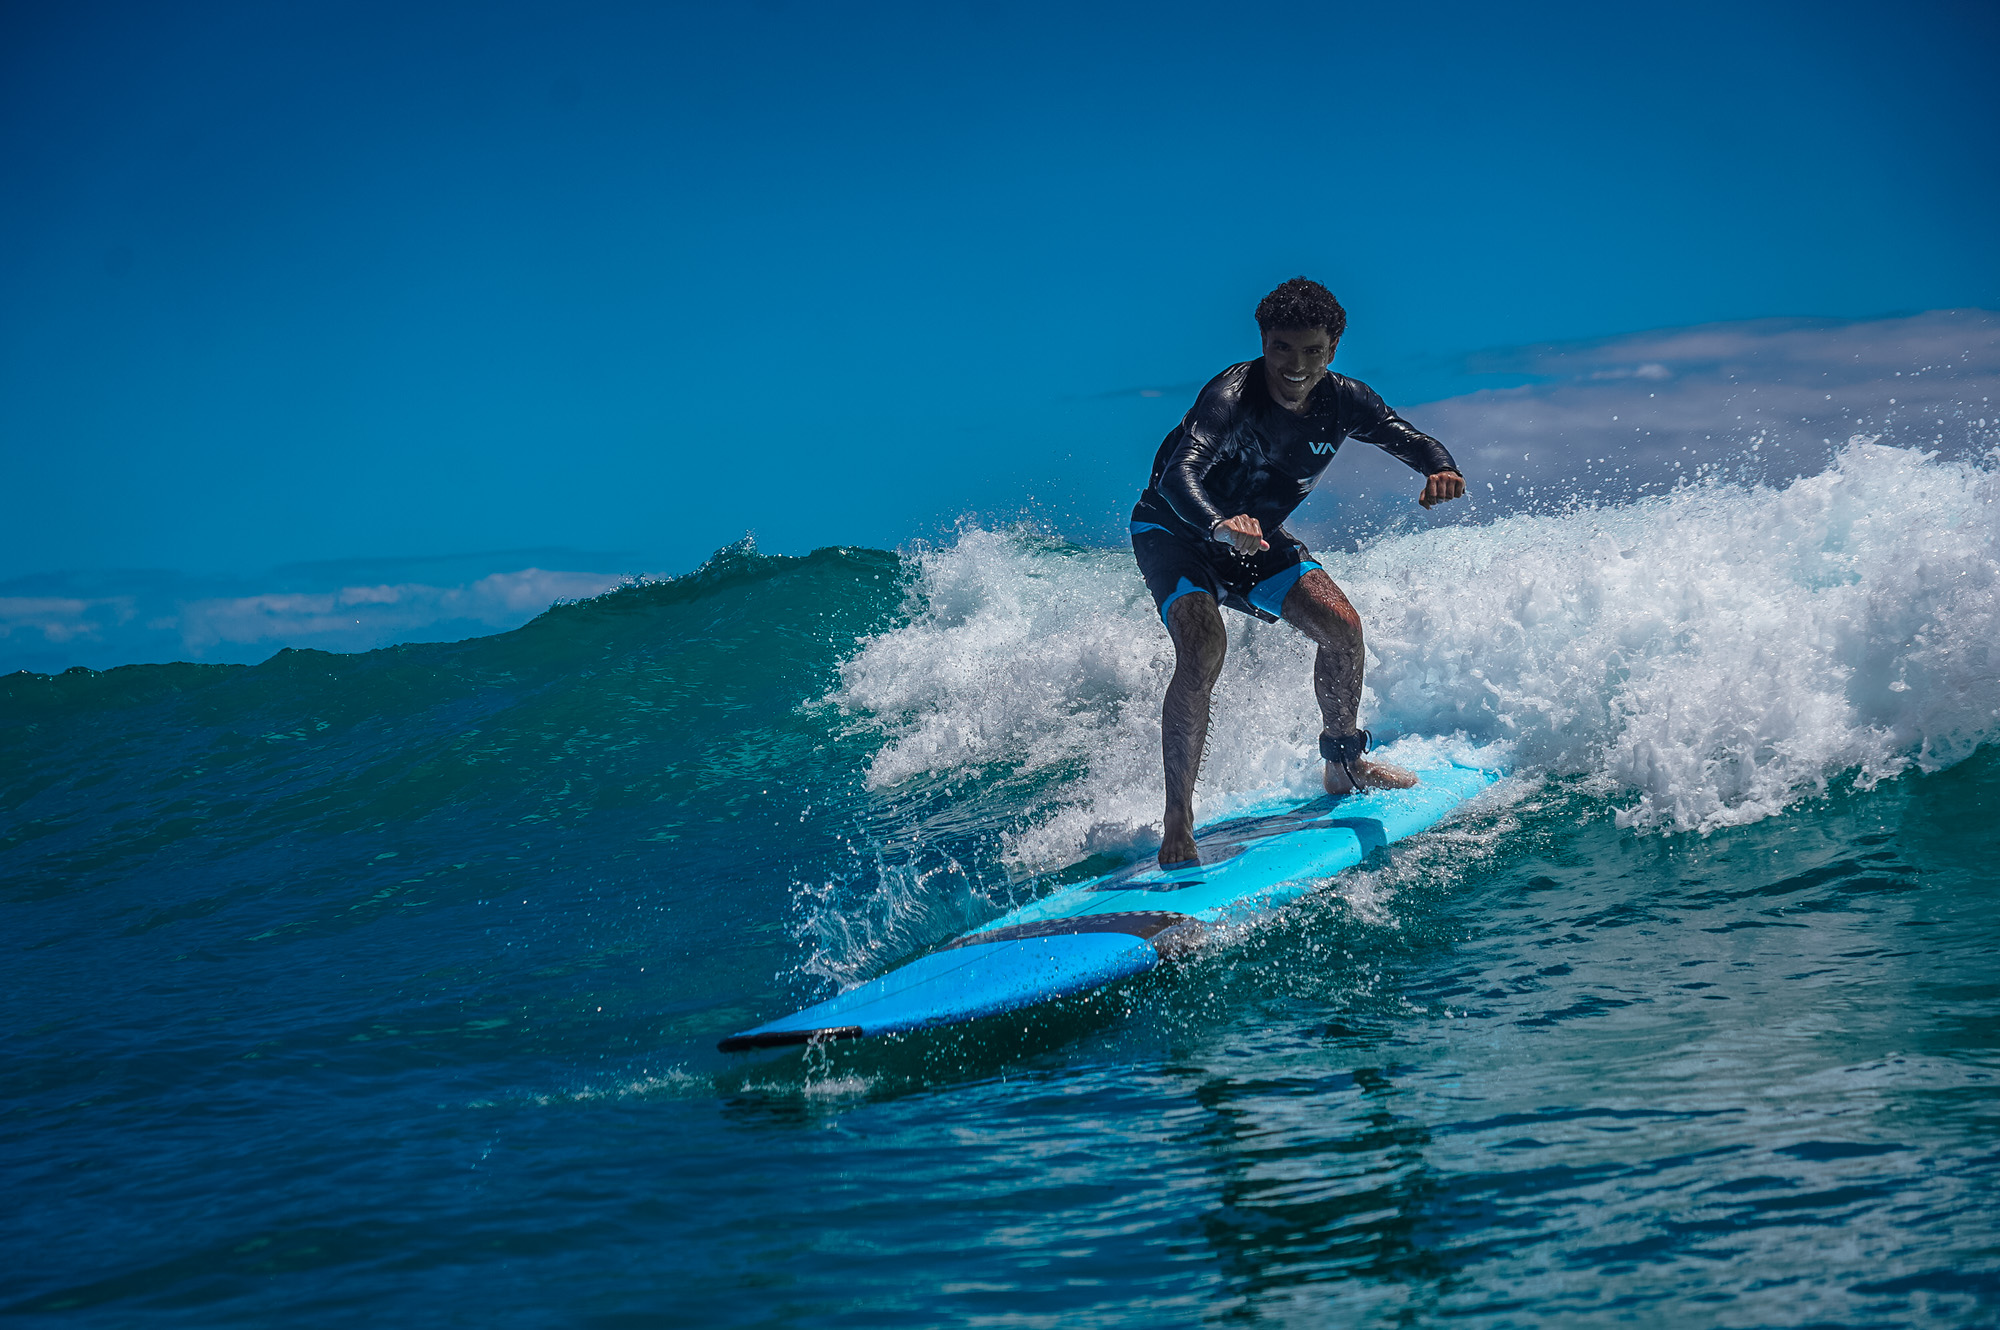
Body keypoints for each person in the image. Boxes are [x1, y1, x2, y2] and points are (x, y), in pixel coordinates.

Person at [1130, 277, 1466, 867]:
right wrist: (1216, 523)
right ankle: (1178, 820)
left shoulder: (1346, 400)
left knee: (1343, 628)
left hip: (1254, 538)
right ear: (1264, 342)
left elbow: (1403, 436)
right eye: (1283, 347)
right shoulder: (1230, 395)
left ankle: (1343, 763)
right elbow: (1177, 476)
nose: (1295, 365)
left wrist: (1439, 467)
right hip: (1175, 531)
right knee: (1204, 646)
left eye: (1312, 351)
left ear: (1332, 349)